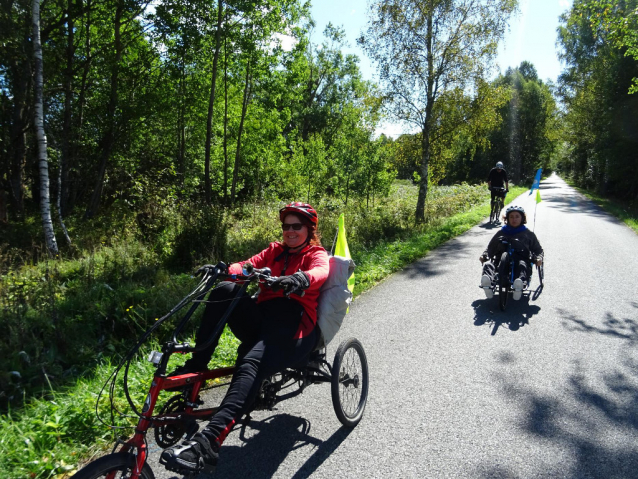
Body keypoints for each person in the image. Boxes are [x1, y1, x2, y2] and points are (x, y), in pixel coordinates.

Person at [160, 202, 329, 475]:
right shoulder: (275, 251)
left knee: (250, 362)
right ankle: (197, 365)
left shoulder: (315, 253)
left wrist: (300, 279)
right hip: (263, 318)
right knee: (225, 289)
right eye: (286, 226)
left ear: (310, 229)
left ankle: (210, 440)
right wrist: (226, 270)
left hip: (294, 327)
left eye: (296, 226)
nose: (290, 231)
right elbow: (248, 266)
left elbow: (322, 271)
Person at [479, 205, 543, 301]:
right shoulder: (501, 232)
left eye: (517, 216)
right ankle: (488, 284)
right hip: (500, 259)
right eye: (511, 217)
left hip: (521, 259)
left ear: (522, 218)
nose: (514, 219)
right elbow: (490, 248)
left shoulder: (528, 234)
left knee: (522, 265)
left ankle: (519, 284)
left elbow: (538, 250)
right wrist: (485, 256)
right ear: (507, 219)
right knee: (488, 265)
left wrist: (539, 258)